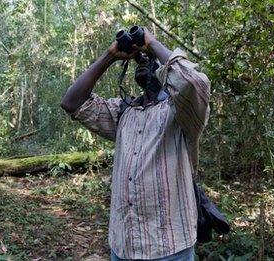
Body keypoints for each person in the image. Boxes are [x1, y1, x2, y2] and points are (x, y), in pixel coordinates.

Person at [60, 27, 211, 261]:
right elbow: (72, 102)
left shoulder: (181, 113)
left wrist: (151, 43)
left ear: (165, 72)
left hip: (170, 250)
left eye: (150, 59)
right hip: (123, 247)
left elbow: (193, 83)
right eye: (140, 58)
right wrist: (110, 55)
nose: (143, 60)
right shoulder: (123, 113)